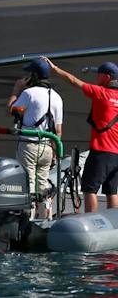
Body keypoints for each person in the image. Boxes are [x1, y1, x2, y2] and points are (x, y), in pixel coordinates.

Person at [45, 58, 118, 214]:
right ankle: (115, 224)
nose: (96, 77)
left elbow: (73, 81)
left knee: (89, 188)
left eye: (98, 74)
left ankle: (91, 220)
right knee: (112, 191)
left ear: (107, 77)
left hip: (101, 151)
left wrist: (55, 69)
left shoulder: (101, 93)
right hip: (116, 154)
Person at [9, 57, 65, 219]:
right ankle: (44, 220)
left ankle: (28, 221)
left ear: (34, 75)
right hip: (48, 147)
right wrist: (55, 152)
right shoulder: (57, 97)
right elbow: (59, 130)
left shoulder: (28, 93)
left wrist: (16, 90)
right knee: (43, 186)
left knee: (28, 185)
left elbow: (10, 110)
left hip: (29, 146)